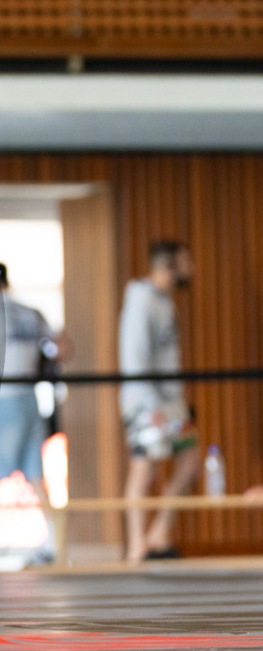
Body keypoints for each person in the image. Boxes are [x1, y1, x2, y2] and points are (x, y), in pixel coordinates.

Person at [0, 262, 64, 565]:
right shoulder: (31, 313)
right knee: (36, 476)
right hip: (29, 398)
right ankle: (53, 544)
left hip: (0, 398)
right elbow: (61, 348)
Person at [119, 239, 198, 564]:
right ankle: (137, 547)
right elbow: (136, 355)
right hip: (146, 402)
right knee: (144, 471)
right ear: (168, 267)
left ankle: (159, 533)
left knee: (190, 461)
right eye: (185, 263)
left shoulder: (165, 301)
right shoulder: (141, 299)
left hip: (171, 402)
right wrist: (149, 406)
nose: (191, 269)